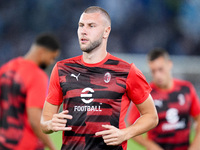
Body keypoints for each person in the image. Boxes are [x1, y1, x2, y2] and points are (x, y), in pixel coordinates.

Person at [40, 6, 158, 150]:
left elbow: (151, 116)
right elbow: (45, 120)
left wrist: (126, 133)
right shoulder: (62, 69)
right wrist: (49, 124)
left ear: (106, 32)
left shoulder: (126, 71)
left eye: (91, 26)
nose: (83, 31)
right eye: (81, 25)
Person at [127, 48, 200, 150]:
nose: (157, 75)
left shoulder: (186, 88)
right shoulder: (146, 94)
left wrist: (196, 146)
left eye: (160, 69)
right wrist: (150, 146)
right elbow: (131, 125)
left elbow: (198, 117)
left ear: (169, 64)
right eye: (153, 71)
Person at [0, 33, 60, 150]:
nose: (51, 62)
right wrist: (52, 147)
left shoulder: (5, 69)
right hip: (27, 145)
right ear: (42, 51)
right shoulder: (37, 75)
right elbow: (35, 120)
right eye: (52, 57)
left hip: (4, 143)